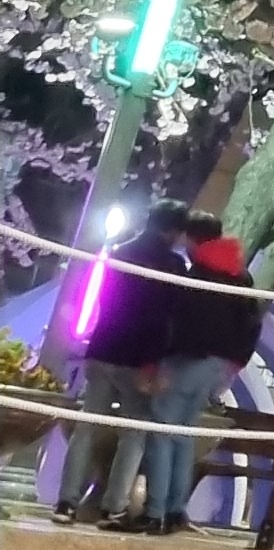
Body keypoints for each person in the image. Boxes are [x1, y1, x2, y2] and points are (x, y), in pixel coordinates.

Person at [53, 206, 202, 526]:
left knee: (87, 427)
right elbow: (164, 317)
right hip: (139, 358)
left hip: (103, 347)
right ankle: (114, 507)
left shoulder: (118, 252)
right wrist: (156, 362)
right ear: (172, 231)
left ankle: (66, 502)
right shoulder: (173, 265)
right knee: (133, 435)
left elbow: (105, 300)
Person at [123, 222, 265, 533]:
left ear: (191, 238)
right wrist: (234, 363)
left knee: (161, 433)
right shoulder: (240, 276)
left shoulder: (195, 276)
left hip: (184, 360)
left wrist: (154, 364)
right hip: (216, 366)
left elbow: (172, 322)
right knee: (184, 434)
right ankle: (176, 510)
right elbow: (252, 324)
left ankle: (155, 512)